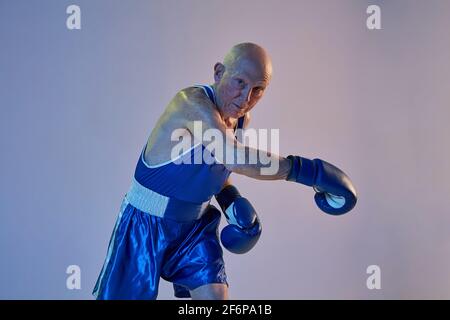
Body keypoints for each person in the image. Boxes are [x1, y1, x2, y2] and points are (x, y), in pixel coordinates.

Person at [92, 42, 357, 300]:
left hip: (193, 229)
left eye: (258, 89)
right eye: (240, 83)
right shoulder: (190, 103)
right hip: (145, 223)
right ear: (219, 72)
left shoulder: (240, 118)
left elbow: (218, 166)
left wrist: (231, 201)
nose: (246, 98)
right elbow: (233, 156)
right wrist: (308, 171)